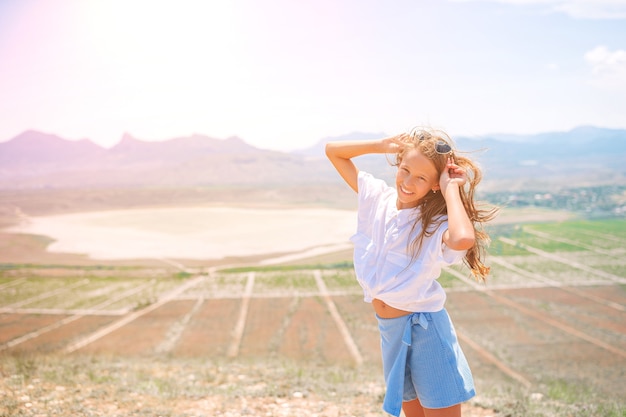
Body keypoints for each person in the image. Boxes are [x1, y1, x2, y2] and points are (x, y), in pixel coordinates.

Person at [325, 128, 497, 417]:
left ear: (434, 185)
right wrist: (381, 145)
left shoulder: (435, 223)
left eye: (421, 178)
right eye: (405, 170)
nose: (407, 182)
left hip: (424, 330)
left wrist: (450, 189)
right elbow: (333, 151)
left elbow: (463, 239)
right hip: (390, 330)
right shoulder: (377, 199)